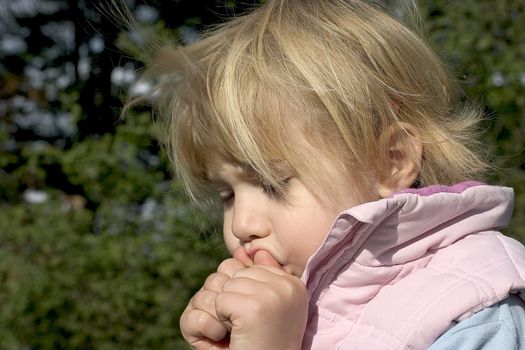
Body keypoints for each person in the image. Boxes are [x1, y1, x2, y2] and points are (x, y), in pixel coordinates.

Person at [134, 0, 525, 348]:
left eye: (273, 183)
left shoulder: (478, 317)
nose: (241, 225)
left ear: (391, 161)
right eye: (227, 195)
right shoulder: (290, 309)